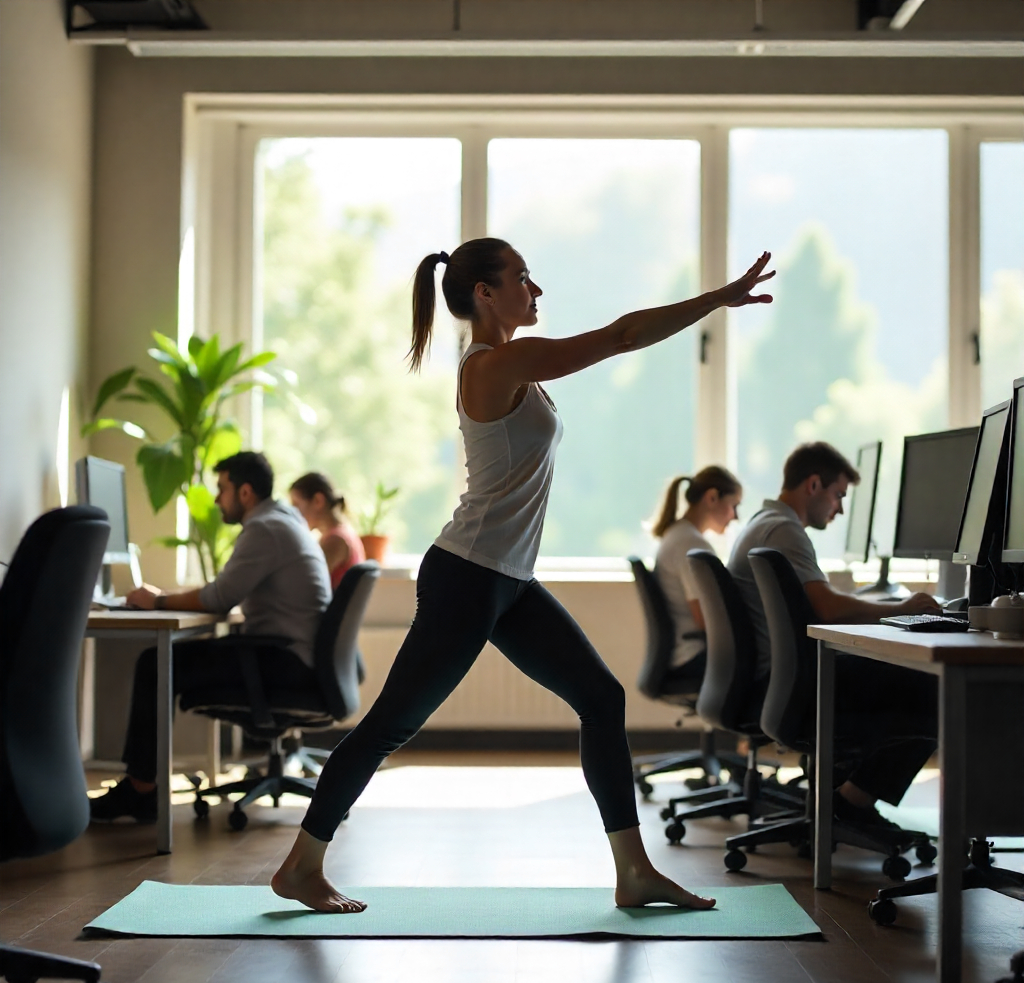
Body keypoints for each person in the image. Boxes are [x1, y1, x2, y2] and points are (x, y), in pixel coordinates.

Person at [270, 238, 775, 915]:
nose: (536, 292)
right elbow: (623, 335)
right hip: (468, 576)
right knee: (391, 724)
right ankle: (302, 866)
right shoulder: (496, 364)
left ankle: (633, 871)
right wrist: (717, 298)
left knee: (600, 697)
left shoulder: (517, 368)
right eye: (523, 279)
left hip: (506, 579)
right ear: (484, 291)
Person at [89, 451, 332, 823]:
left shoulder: (264, 528)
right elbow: (224, 589)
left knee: (156, 662)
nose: (217, 498)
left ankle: (140, 792)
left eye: (222, 489)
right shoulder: (282, 520)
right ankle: (143, 787)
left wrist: (157, 600)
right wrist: (166, 597)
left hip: (283, 662)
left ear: (246, 492)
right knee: (166, 659)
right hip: (295, 657)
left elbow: (219, 597)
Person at [727, 441, 939, 834]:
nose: (839, 509)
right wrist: (900, 608)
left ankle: (845, 794)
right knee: (935, 687)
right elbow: (826, 608)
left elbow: (818, 604)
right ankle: (849, 802)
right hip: (793, 688)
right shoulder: (784, 530)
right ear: (813, 485)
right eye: (838, 495)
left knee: (899, 675)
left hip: (774, 684)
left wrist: (876, 605)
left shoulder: (764, 523)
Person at [651, 466, 743, 690]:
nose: (736, 517)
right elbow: (705, 618)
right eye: (734, 506)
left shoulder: (678, 535)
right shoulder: (690, 544)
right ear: (712, 497)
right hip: (692, 655)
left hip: (681, 652)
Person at [289, 471, 366, 590]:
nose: (294, 513)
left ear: (318, 501)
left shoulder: (336, 540)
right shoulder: (341, 533)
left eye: (296, 505)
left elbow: (306, 581)